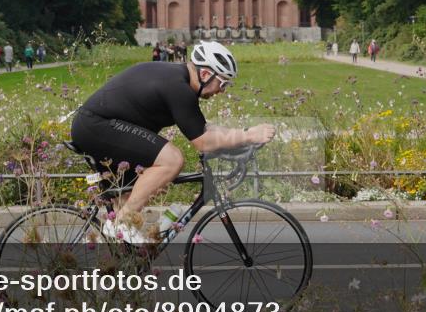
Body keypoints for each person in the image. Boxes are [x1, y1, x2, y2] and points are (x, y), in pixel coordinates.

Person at [71, 41, 275, 243]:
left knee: (126, 207)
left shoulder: (178, 80)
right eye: (223, 84)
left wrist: (243, 135)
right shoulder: (178, 88)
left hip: (97, 125)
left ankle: (120, 263)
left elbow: (204, 129)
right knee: (172, 160)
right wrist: (249, 136)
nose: (222, 91)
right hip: (95, 125)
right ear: (205, 74)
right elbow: (203, 142)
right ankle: (121, 223)